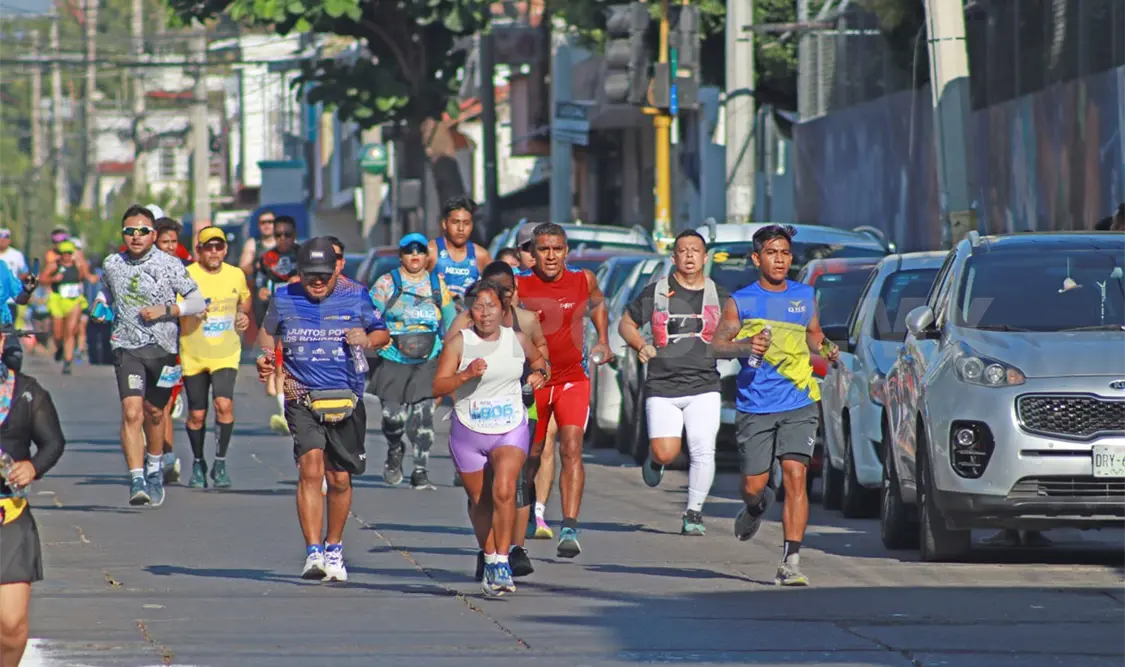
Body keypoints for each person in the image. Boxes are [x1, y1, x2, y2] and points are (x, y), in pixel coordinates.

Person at [712, 224, 839, 587]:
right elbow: (718, 344)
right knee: (755, 485)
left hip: (799, 400)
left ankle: (791, 561)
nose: (780, 259)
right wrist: (745, 344)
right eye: (772, 253)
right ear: (757, 258)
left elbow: (813, 334)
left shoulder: (804, 295)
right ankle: (755, 507)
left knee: (797, 476)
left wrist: (828, 348)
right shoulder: (741, 300)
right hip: (756, 404)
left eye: (785, 252)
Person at [255, 237, 389, 581]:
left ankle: (334, 546)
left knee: (339, 479)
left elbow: (382, 334)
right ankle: (313, 552)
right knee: (311, 467)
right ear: (299, 272)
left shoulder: (356, 295)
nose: (317, 281)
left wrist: (367, 338)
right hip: (301, 393)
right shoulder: (284, 297)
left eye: (324, 275)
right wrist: (267, 357)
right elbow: (267, 334)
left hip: (345, 395)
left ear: (335, 271)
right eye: (310, 274)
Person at [433, 280, 548, 596]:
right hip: (468, 430)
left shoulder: (517, 339)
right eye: (479, 306)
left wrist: (539, 374)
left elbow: (540, 362)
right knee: (480, 502)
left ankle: (501, 559)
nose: (485, 313)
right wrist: (466, 375)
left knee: (505, 489)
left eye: (492, 306)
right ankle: (489, 556)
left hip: (510, 425)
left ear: (503, 308)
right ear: (471, 309)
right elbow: (439, 386)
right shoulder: (460, 343)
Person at [94, 205, 206, 507]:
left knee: (157, 413)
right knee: (132, 413)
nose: (136, 236)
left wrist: (167, 311)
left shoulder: (170, 264)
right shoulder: (113, 263)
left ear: (153, 234)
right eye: (129, 231)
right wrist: (100, 304)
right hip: (126, 346)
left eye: (143, 231)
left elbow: (197, 302)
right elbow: (105, 290)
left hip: (165, 349)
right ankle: (137, 479)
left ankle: (155, 468)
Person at [618, 229, 726, 535]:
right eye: (683, 250)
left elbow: (734, 329)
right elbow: (626, 323)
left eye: (695, 250)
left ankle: (693, 513)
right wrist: (641, 345)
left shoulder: (720, 294)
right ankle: (656, 460)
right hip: (663, 384)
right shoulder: (657, 292)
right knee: (666, 451)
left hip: (704, 384)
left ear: (705, 257)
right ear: (674, 256)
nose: (690, 255)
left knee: (703, 448)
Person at [516, 223, 613, 558]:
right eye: (543, 249)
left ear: (566, 251)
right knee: (532, 452)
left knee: (571, 447)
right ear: (533, 252)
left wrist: (603, 339)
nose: (551, 256)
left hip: (574, 378)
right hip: (535, 381)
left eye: (557, 249)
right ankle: (526, 504)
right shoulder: (519, 283)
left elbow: (599, 305)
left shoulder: (583, 279)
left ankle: (569, 526)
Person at [370, 233, 456, 490]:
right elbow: (369, 315)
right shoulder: (386, 283)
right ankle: (395, 449)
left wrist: (453, 352)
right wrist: (377, 336)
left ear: (427, 256)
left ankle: (420, 469)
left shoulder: (437, 284)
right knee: (392, 417)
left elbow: (451, 321)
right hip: (394, 357)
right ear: (401, 256)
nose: (415, 256)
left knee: (424, 416)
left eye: (420, 251)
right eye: (409, 251)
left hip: (428, 359)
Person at [0, 325, 65, 667]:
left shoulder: (26, 391)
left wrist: (33, 467)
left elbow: (53, 442)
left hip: (9, 518)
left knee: (11, 626)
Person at [180, 227, 251, 489]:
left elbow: (245, 300)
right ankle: (199, 462)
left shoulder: (235, 274)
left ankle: (220, 463)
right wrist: (191, 312)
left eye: (218, 247)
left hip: (226, 353)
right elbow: (177, 307)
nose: (213, 252)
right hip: (194, 353)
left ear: (225, 249)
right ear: (199, 250)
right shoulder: (187, 275)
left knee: (224, 406)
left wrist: (243, 315)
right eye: (208, 247)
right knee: (197, 414)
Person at [512, 223, 558, 540]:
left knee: (545, 445)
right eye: (529, 248)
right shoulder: (510, 285)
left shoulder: (563, 280)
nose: (535, 255)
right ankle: (520, 500)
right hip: (514, 379)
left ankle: (538, 513)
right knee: (525, 450)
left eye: (539, 248)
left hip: (552, 376)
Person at [153, 218, 191, 482]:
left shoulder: (182, 267)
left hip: (172, 344)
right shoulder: (134, 266)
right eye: (164, 242)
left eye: (173, 242)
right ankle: (151, 455)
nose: (169, 247)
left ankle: (165, 457)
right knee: (142, 407)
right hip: (140, 345)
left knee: (162, 403)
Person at [255, 216, 300, 432]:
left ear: (295, 236)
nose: (282, 239)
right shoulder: (267, 259)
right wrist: (261, 291)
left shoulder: (304, 256)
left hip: (303, 317)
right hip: (279, 317)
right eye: (278, 235)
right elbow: (260, 284)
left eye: (287, 235)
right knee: (282, 364)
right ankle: (284, 413)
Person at [426, 195, 492, 307]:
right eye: (455, 222)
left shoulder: (481, 256)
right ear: (444, 224)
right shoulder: (431, 251)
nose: (461, 229)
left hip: (467, 321)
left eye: (466, 223)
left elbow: (493, 293)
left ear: (472, 225)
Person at [40, 241, 89, 375]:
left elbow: (85, 276)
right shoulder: (54, 265)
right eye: (63, 253)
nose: (66, 256)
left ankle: (67, 362)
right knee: (58, 333)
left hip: (74, 300)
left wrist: (81, 263)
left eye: (69, 253)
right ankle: (60, 347)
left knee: (70, 331)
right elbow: (43, 279)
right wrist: (53, 279)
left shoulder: (77, 264)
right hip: (57, 300)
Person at [240, 209, 277, 326]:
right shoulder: (252, 244)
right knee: (265, 332)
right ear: (259, 225)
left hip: (282, 295)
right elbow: (242, 268)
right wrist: (257, 265)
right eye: (263, 222)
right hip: (261, 295)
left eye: (270, 222)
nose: (267, 225)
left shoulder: (285, 242)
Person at [0, 229, 27, 325]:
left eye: (5, 237)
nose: (2, 240)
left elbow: (25, 272)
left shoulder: (16, 255)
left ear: (9, 240)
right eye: (0, 237)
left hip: (10, 300)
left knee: (8, 329)